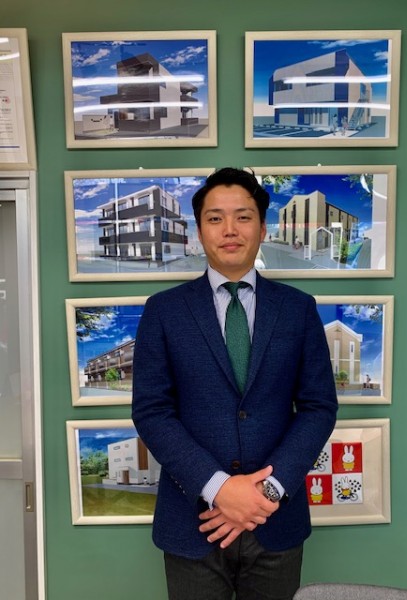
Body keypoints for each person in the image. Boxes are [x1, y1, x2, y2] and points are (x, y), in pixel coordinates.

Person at [132, 167, 338, 600]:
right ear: (199, 231)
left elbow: (318, 408)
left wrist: (265, 492)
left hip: (275, 520)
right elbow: (152, 412)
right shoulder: (164, 311)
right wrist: (219, 488)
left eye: (243, 217)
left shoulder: (298, 309)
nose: (229, 229)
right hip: (193, 521)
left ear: (262, 229)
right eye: (215, 218)